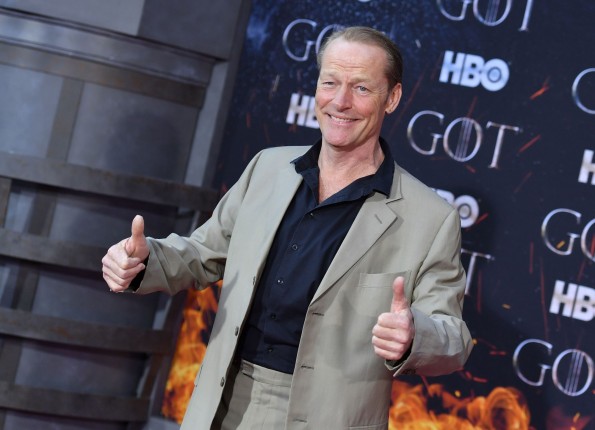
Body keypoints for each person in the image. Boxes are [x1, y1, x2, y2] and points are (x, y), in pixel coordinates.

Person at [102, 26, 473, 430]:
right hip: (221, 401)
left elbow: (453, 339)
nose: (341, 101)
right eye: (330, 82)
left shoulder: (430, 218)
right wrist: (144, 262)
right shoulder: (267, 167)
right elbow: (201, 254)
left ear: (393, 97)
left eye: (362, 88)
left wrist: (414, 335)